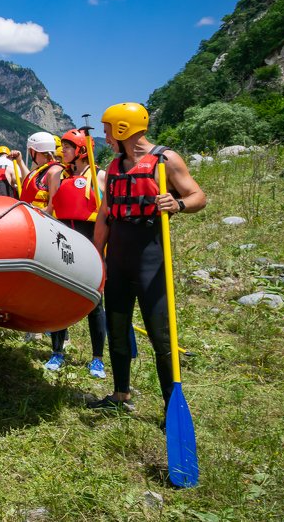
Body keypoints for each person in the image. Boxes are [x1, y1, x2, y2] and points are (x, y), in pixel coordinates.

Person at [88, 103, 206, 421]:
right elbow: (105, 214)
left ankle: (172, 408)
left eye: (108, 129)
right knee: (117, 328)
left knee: (161, 338)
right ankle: (120, 394)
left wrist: (178, 203)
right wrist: (97, 254)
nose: (105, 136)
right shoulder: (114, 167)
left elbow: (199, 196)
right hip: (119, 260)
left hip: (151, 259)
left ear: (123, 129)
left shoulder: (165, 160)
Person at [45, 129, 108, 375]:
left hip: (90, 241)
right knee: (59, 299)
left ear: (82, 150)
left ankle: (97, 359)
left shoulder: (99, 176)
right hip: (64, 241)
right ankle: (57, 352)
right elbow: (51, 208)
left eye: (68, 147)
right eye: (62, 147)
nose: (63, 151)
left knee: (95, 302)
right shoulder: (57, 176)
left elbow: (107, 214)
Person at [13, 131, 64, 212]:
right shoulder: (41, 169)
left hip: (42, 221)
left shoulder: (54, 171)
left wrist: (33, 214)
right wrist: (20, 161)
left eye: (30, 150)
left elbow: (52, 208)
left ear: (34, 151)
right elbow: (30, 181)